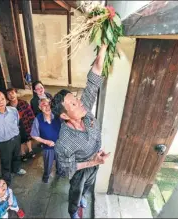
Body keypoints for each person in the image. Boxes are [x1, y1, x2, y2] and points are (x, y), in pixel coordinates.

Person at [51, 45, 111, 219]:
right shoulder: (64, 142)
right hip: (79, 169)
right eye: (73, 104)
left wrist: (103, 48)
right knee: (76, 191)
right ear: (64, 115)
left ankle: (84, 197)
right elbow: (64, 169)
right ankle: (72, 211)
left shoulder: (85, 111)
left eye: (75, 98)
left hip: (95, 161)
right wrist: (91, 162)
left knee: (88, 187)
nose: (80, 102)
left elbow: (94, 79)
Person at [0, 91, 26, 184]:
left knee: (17, 156)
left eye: (2, 99)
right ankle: (6, 179)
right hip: (3, 143)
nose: (1, 102)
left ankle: (16, 169)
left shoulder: (13, 110)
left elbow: (17, 122)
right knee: (5, 161)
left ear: (5, 99)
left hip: (16, 138)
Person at [30, 98, 63, 183]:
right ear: (40, 107)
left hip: (59, 145)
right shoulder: (38, 119)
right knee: (48, 164)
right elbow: (34, 135)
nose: (47, 106)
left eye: (49, 104)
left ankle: (59, 173)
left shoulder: (58, 115)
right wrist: (46, 142)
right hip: (47, 148)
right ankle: (46, 176)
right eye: (44, 105)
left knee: (60, 161)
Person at [6, 88, 36, 161]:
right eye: (9, 94)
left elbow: (30, 113)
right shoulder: (7, 107)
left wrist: (33, 123)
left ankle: (30, 150)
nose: (11, 95)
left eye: (12, 93)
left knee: (28, 137)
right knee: (20, 140)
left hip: (25, 123)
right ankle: (22, 153)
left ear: (16, 94)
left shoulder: (24, 103)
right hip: (15, 127)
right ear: (7, 97)